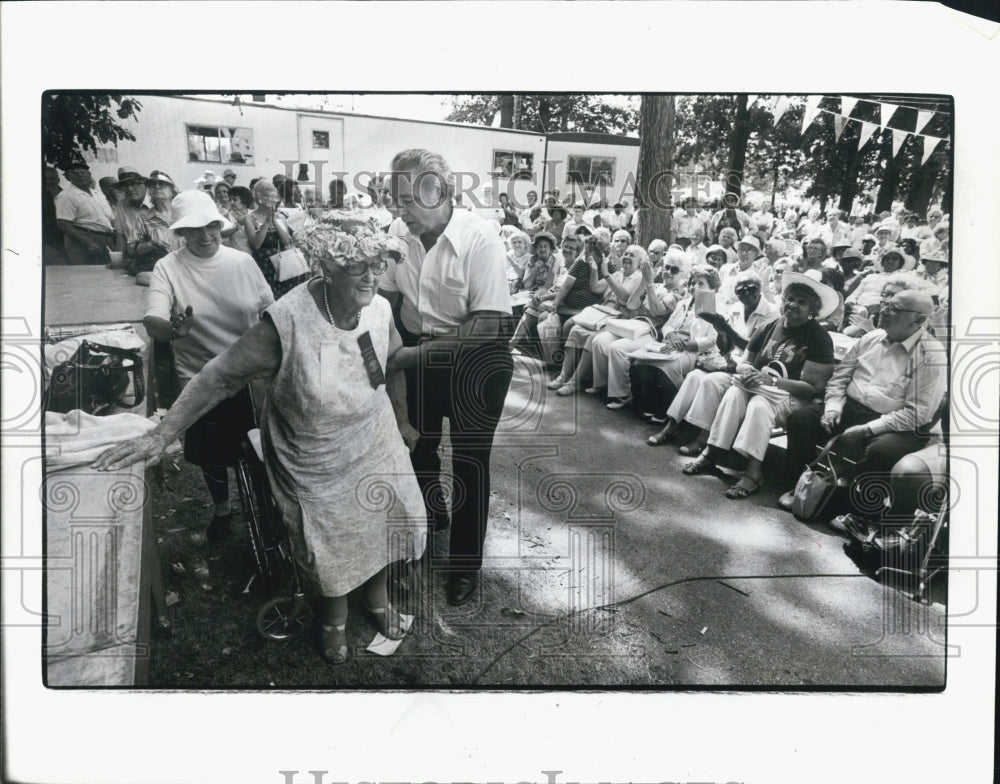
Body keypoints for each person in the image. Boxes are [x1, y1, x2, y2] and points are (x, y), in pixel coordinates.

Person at [95, 213, 425, 664]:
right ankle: (334, 615)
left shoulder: (380, 308)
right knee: (332, 538)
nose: (371, 278)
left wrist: (403, 420)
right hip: (312, 452)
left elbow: (388, 365)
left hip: (373, 434)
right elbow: (218, 377)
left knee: (385, 515)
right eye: (356, 267)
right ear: (326, 268)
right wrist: (162, 432)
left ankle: (378, 599)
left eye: (376, 265)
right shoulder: (286, 321)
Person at [380, 148, 513, 607]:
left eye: (407, 199)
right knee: (418, 445)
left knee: (470, 464)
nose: (398, 210)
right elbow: (388, 300)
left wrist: (410, 357)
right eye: (393, 199)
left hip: (478, 361)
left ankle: (464, 565)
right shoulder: (398, 233)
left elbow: (489, 325)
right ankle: (431, 520)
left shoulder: (481, 240)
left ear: (440, 190)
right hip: (419, 353)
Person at [136, 190, 274, 545]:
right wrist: (173, 330)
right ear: (181, 233)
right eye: (194, 229)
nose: (206, 235)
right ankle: (222, 508)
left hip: (250, 374)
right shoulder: (168, 267)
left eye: (211, 225)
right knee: (213, 456)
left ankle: (268, 509)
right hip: (200, 378)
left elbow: (269, 310)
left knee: (262, 452)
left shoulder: (242, 262)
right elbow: (153, 319)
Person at [778, 290, 946, 522]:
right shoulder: (872, 338)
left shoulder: (931, 354)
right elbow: (840, 378)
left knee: (880, 451)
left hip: (897, 424)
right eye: (884, 304)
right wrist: (833, 408)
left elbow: (918, 413)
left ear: (918, 320)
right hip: (850, 408)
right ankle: (800, 487)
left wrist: (867, 430)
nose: (883, 311)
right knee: (801, 419)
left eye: (893, 309)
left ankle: (856, 510)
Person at [681, 273, 837, 499]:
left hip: (794, 397)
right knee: (735, 391)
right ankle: (711, 452)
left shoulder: (819, 338)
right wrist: (747, 372)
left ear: (812, 309)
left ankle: (754, 472)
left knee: (760, 405)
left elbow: (814, 388)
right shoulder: (768, 326)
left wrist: (772, 381)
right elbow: (745, 360)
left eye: (802, 302)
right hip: (759, 387)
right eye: (790, 299)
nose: (793, 305)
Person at [647, 269, 780, 447]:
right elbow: (726, 346)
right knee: (694, 377)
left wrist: (725, 327)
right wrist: (722, 333)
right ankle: (671, 426)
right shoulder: (736, 309)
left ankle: (703, 439)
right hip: (729, 361)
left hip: (750, 367)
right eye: (740, 290)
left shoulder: (772, 314)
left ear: (760, 288)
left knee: (710, 381)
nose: (746, 293)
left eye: (751, 288)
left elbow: (755, 349)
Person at [245, 178, 307, 299]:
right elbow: (256, 244)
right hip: (264, 265)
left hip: (282, 263)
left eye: (274, 197)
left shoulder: (280, 216)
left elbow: (287, 242)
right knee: (269, 298)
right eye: (268, 196)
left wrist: (275, 221)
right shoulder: (250, 218)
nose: (273, 201)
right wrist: (267, 223)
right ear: (259, 198)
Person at [54, 159, 116, 265]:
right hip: (83, 240)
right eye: (75, 173)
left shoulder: (98, 194)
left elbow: (110, 218)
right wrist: (87, 243)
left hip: (106, 239)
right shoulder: (66, 195)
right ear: (69, 177)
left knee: (107, 275)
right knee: (86, 276)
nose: (80, 175)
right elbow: (63, 224)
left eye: (83, 172)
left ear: (89, 174)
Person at [126, 170, 181, 284]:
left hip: (186, 264)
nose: (157, 187)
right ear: (149, 191)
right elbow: (130, 249)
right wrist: (151, 244)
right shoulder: (144, 218)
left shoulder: (182, 212)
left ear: (172, 190)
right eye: (153, 184)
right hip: (159, 267)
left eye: (162, 184)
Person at [113, 167, 151, 257]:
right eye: (125, 185)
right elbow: (120, 235)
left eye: (134, 184)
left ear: (145, 185)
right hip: (134, 257)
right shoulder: (121, 205)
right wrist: (119, 259)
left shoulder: (156, 201)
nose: (130, 189)